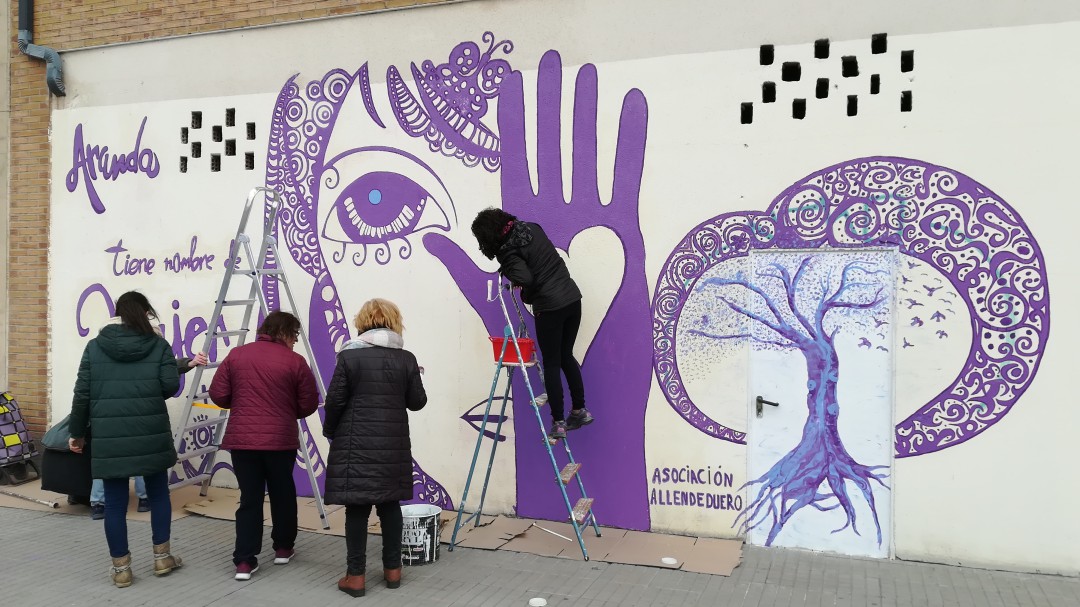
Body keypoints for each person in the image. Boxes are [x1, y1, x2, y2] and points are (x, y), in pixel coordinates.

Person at [68, 291, 184, 588]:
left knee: (115, 503)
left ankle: (121, 570)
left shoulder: (95, 347)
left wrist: (77, 434)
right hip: (150, 432)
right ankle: (162, 558)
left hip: (110, 437)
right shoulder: (158, 344)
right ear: (145, 313)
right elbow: (170, 386)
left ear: (117, 314)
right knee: (158, 494)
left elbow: (82, 394)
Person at [323, 298, 427, 598]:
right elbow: (417, 403)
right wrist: (414, 376)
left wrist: (330, 431)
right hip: (392, 445)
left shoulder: (348, 356)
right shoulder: (406, 358)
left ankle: (355, 578)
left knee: (357, 509)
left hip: (355, 444)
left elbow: (335, 401)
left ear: (363, 322)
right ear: (394, 322)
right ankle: (393, 571)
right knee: (390, 505)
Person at [209, 311, 320, 581]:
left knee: (250, 498)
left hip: (243, 441)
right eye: (294, 335)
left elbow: (218, 394)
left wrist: (242, 404)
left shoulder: (237, 355)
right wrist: (285, 410)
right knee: (283, 494)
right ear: (284, 332)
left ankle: (244, 562)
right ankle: (283, 548)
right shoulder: (295, 361)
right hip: (280, 440)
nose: (295, 340)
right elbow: (308, 403)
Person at [471, 207, 594, 440]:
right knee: (566, 356)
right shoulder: (532, 228)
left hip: (550, 308)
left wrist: (523, 290)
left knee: (551, 363)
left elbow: (525, 278)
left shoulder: (507, 253)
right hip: (572, 300)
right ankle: (580, 410)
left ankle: (558, 422)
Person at [88, 352, 209, 520]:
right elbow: (165, 370)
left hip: (111, 416)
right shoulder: (146, 353)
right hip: (140, 414)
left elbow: (86, 390)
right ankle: (144, 499)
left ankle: (98, 504)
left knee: (108, 458)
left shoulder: (103, 355)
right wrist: (189, 363)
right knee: (142, 455)